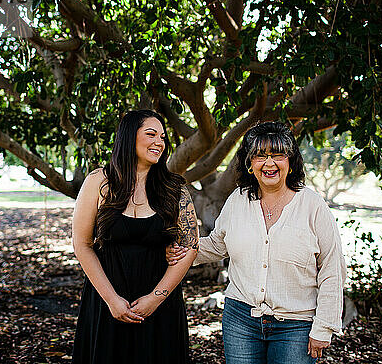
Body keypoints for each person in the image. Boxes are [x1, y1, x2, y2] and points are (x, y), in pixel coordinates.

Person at [167, 121, 346, 363]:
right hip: (241, 321)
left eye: (278, 155)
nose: (269, 163)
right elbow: (219, 244)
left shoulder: (312, 206)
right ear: (249, 163)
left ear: (290, 162)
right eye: (260, 155)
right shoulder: (238, 200)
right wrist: (182, 251)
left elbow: (332, 268)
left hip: (296, 326)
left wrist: (324, 326)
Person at [71, 109, 199, 364]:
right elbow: (82, 244)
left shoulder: (174, 188)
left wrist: (156, 298)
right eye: (151, 134)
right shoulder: (100, 181)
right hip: (107, 299)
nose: (159, 142)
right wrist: (112, 300)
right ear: (129, 138)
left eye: (162, 137)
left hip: (161, 303)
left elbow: (190, 246)